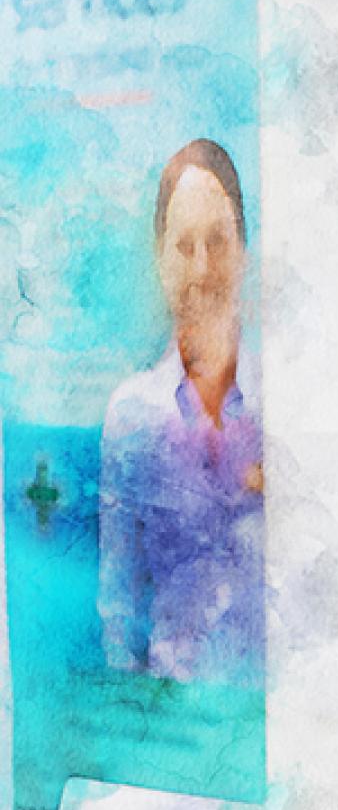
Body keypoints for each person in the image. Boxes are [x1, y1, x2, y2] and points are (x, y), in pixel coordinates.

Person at [97, 138, 265, 689]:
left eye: (217, 241)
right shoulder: (132, 418)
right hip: (172, 732)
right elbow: (119, 611)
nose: (202, 269)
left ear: (243, 249)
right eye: (184, 245)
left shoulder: (287, 406)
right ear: (159, 257)